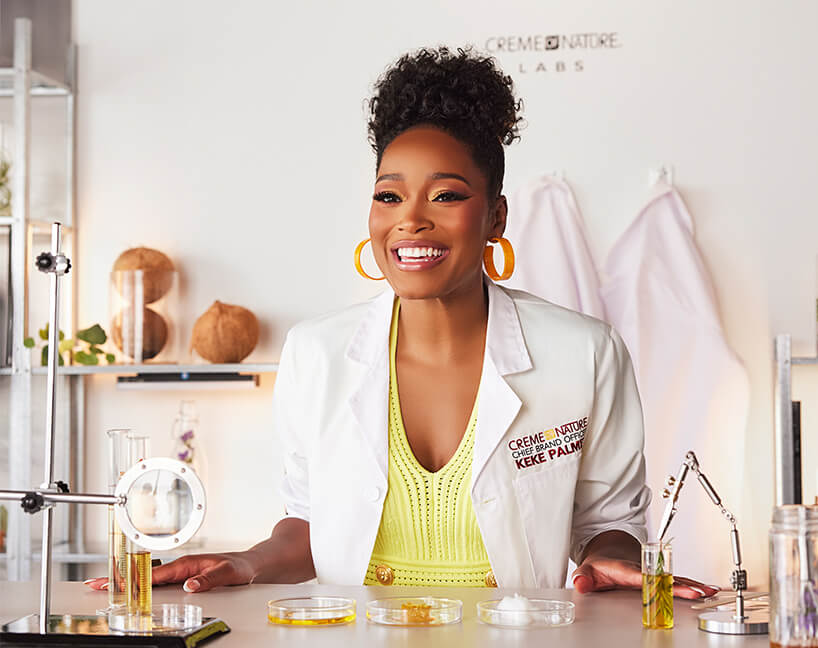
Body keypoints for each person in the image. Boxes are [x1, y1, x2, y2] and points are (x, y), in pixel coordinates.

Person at [87, 47, 716, 598]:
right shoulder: (316, 353)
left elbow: (609, 521)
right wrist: (243, 562)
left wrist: (609, 563)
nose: (410, 220)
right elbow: (308, 525)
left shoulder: (585, 352)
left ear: (496, 216)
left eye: (445, 195)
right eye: (389, 196)